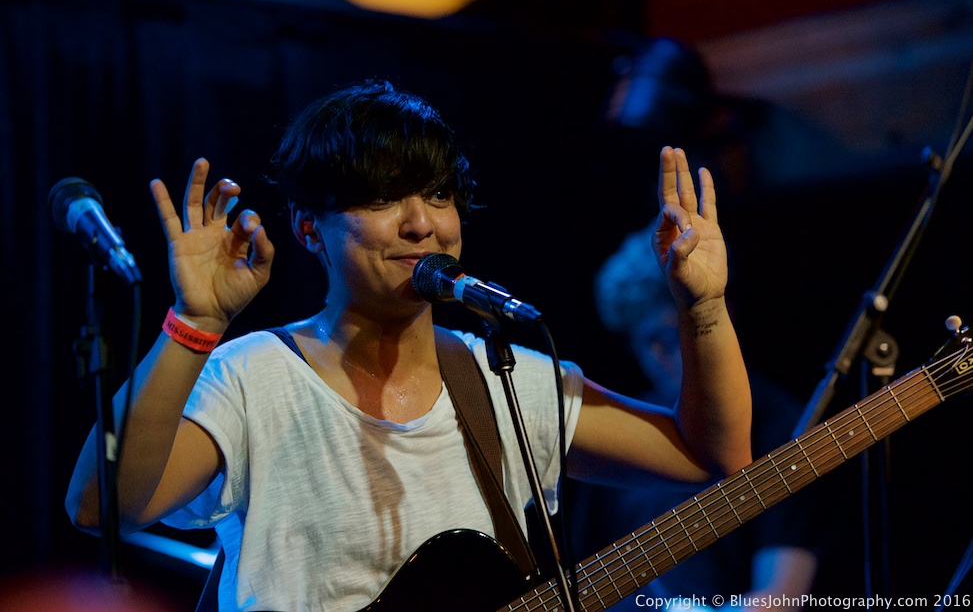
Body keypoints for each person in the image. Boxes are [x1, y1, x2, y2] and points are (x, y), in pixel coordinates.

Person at [64, 78, 752, 611]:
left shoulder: (504, 377)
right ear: (310, 231)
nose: (422, 224)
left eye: (439, 195)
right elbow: (101, 509)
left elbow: (710, 455)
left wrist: (704, 304)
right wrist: (195, 323)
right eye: (383, 199)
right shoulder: (253, 378)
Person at [566, 225, 820, 612]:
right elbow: (580, 582)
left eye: (670, 338)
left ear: (718, 320)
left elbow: (783, 595)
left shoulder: (778, 424)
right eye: (643, 343)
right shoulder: (622, 424)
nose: (658, 358)